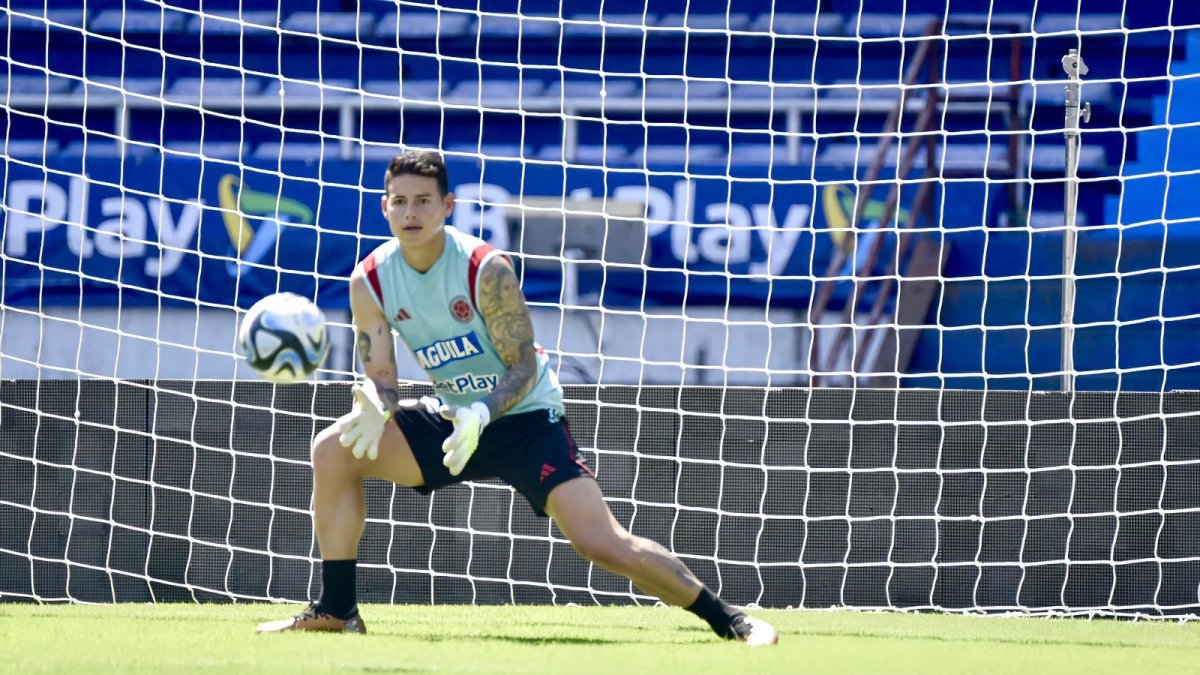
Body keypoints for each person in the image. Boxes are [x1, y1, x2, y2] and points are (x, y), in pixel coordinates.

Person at [256, 150, 778, 646]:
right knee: (334, 449)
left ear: (447, 207)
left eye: (423, 201)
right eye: (399, 201)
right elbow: (384, 376)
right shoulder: (368, 280)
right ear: (384, 205)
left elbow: (524, 365)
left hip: (525, 417)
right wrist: (375, 403)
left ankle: (730, 619)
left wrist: (484, 411)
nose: (410, 212)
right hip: (454, 421)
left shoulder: (484, 269)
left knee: (601, 543)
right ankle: (338, 610)